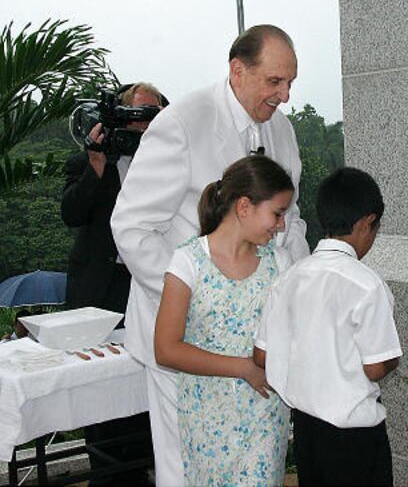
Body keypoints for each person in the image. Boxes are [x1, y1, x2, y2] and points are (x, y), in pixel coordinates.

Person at [111, 24, 308, 486]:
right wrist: (196, 296)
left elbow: (291, 222)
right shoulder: (182, 122)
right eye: (274, 81)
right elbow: (132, 227)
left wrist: (300, 292)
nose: (284, 96)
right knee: (186, 468)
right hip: (185, 334)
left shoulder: (283, 130)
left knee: (255, 459)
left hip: (256, 334)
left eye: (290, 83)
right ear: (238, 71)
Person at [255, 167, 402, 486]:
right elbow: (376, 367)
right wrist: (394, 359)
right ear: (368, 222)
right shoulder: (366, 285)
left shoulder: (289, 278)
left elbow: (262, 356)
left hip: (307, 432)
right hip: (356, 439)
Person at [153, 156, 294, 486]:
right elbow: (166, 349)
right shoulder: (188, 261)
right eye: (277, 213)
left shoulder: (281, 262)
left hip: (265, 415)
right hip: (206, 417)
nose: (282, 226)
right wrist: (243, 367)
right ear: (244, 206)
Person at [61, 82, 164, 485]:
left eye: (152, 114)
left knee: (145, 383)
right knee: (100, 389)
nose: (142, 123)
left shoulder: (166, 162)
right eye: (135, 114)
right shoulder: (89, 160)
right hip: (98, 291)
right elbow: (72, 213)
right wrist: (96, 164)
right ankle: (107, 474)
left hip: (147, 286)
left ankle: (146, 468)